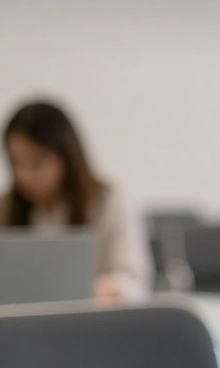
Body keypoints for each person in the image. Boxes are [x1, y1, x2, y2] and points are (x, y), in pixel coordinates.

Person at [2, 100, 151, 301]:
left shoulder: (107, 199)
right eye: (16, 162)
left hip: (91, 321)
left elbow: (133, 281)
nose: (25, 175)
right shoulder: (6, 207)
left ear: (66, 156)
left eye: (37, 162)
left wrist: (83, 292)